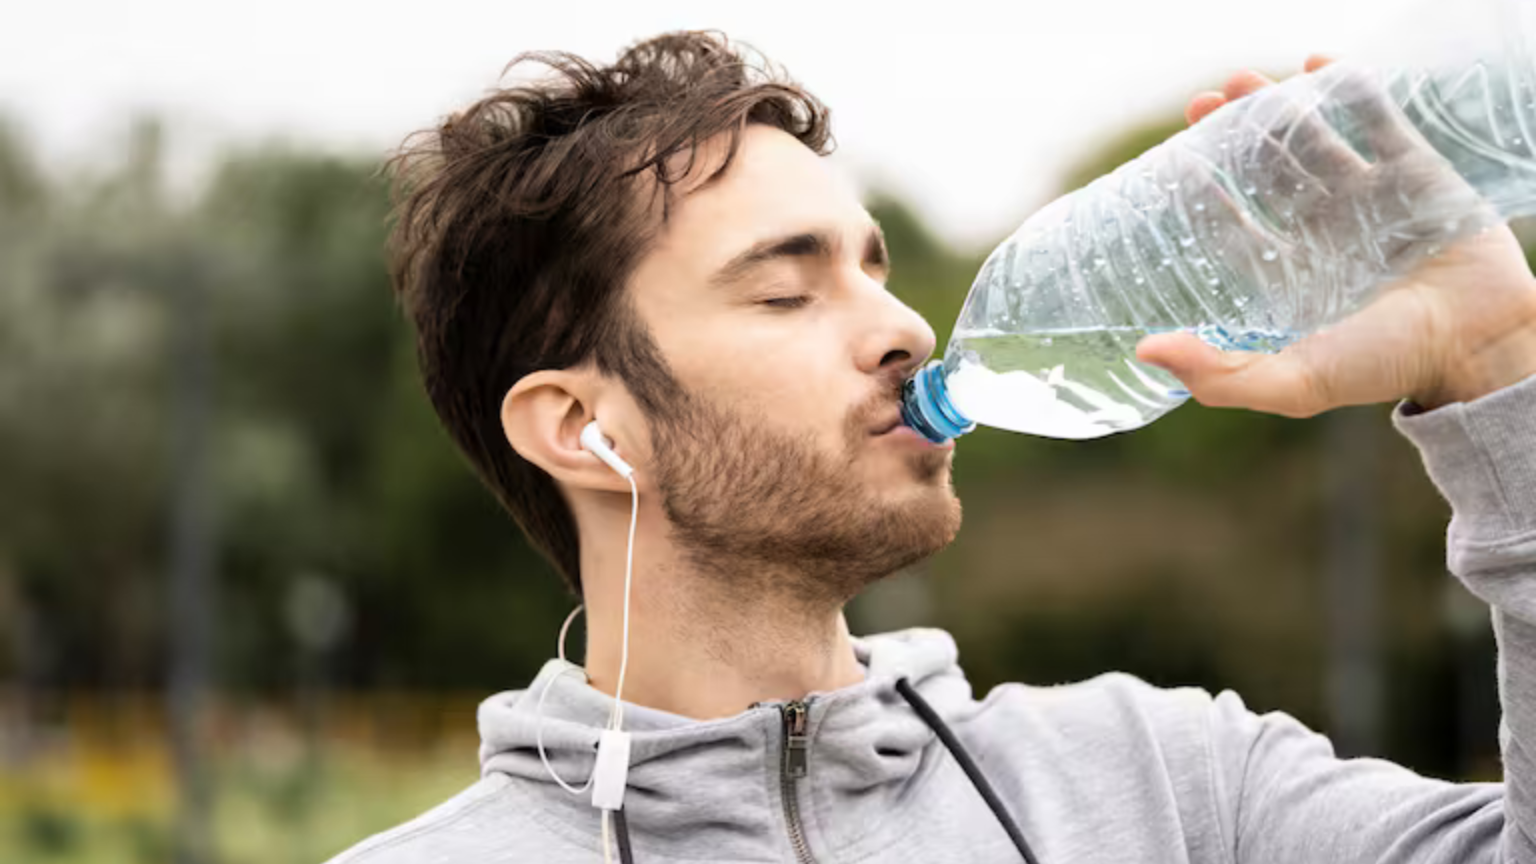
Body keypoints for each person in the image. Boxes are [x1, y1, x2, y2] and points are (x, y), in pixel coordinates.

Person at [331, 31, 1536, 863]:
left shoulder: (1169, 788)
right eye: (787, 292)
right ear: (587, 429)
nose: (906, 327)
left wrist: (1499, 374)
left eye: (874, 267)